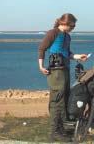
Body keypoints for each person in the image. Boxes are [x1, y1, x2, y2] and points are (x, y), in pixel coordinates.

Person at [38, 13, 88, 142]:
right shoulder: (52, 33)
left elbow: (68, 53)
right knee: (57, 100)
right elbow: (42, 49)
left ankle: (61, 129)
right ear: (64, 23)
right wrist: (41, 66)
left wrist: (78, 57)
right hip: (56, 73)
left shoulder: (67, 36)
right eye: (72, 25)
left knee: (65, 98)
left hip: (65, 70)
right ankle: (54, 132)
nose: (73, 28)